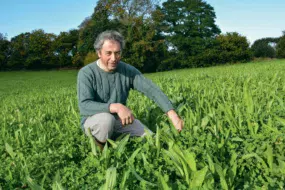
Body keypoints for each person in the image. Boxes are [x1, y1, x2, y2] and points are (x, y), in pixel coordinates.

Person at [77, 30, 183, 149]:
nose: (114, 58)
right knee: (106, 120)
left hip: (120, 120)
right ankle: (101, 151)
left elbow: (151, 90)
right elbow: (84, 105)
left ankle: (115, 137)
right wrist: (116, 107)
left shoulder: (127, 70)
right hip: (94, 121)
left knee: (152, 140)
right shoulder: (86, 73)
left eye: (117, 53)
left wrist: (172, 114)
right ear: (99, 53)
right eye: (108, 53)